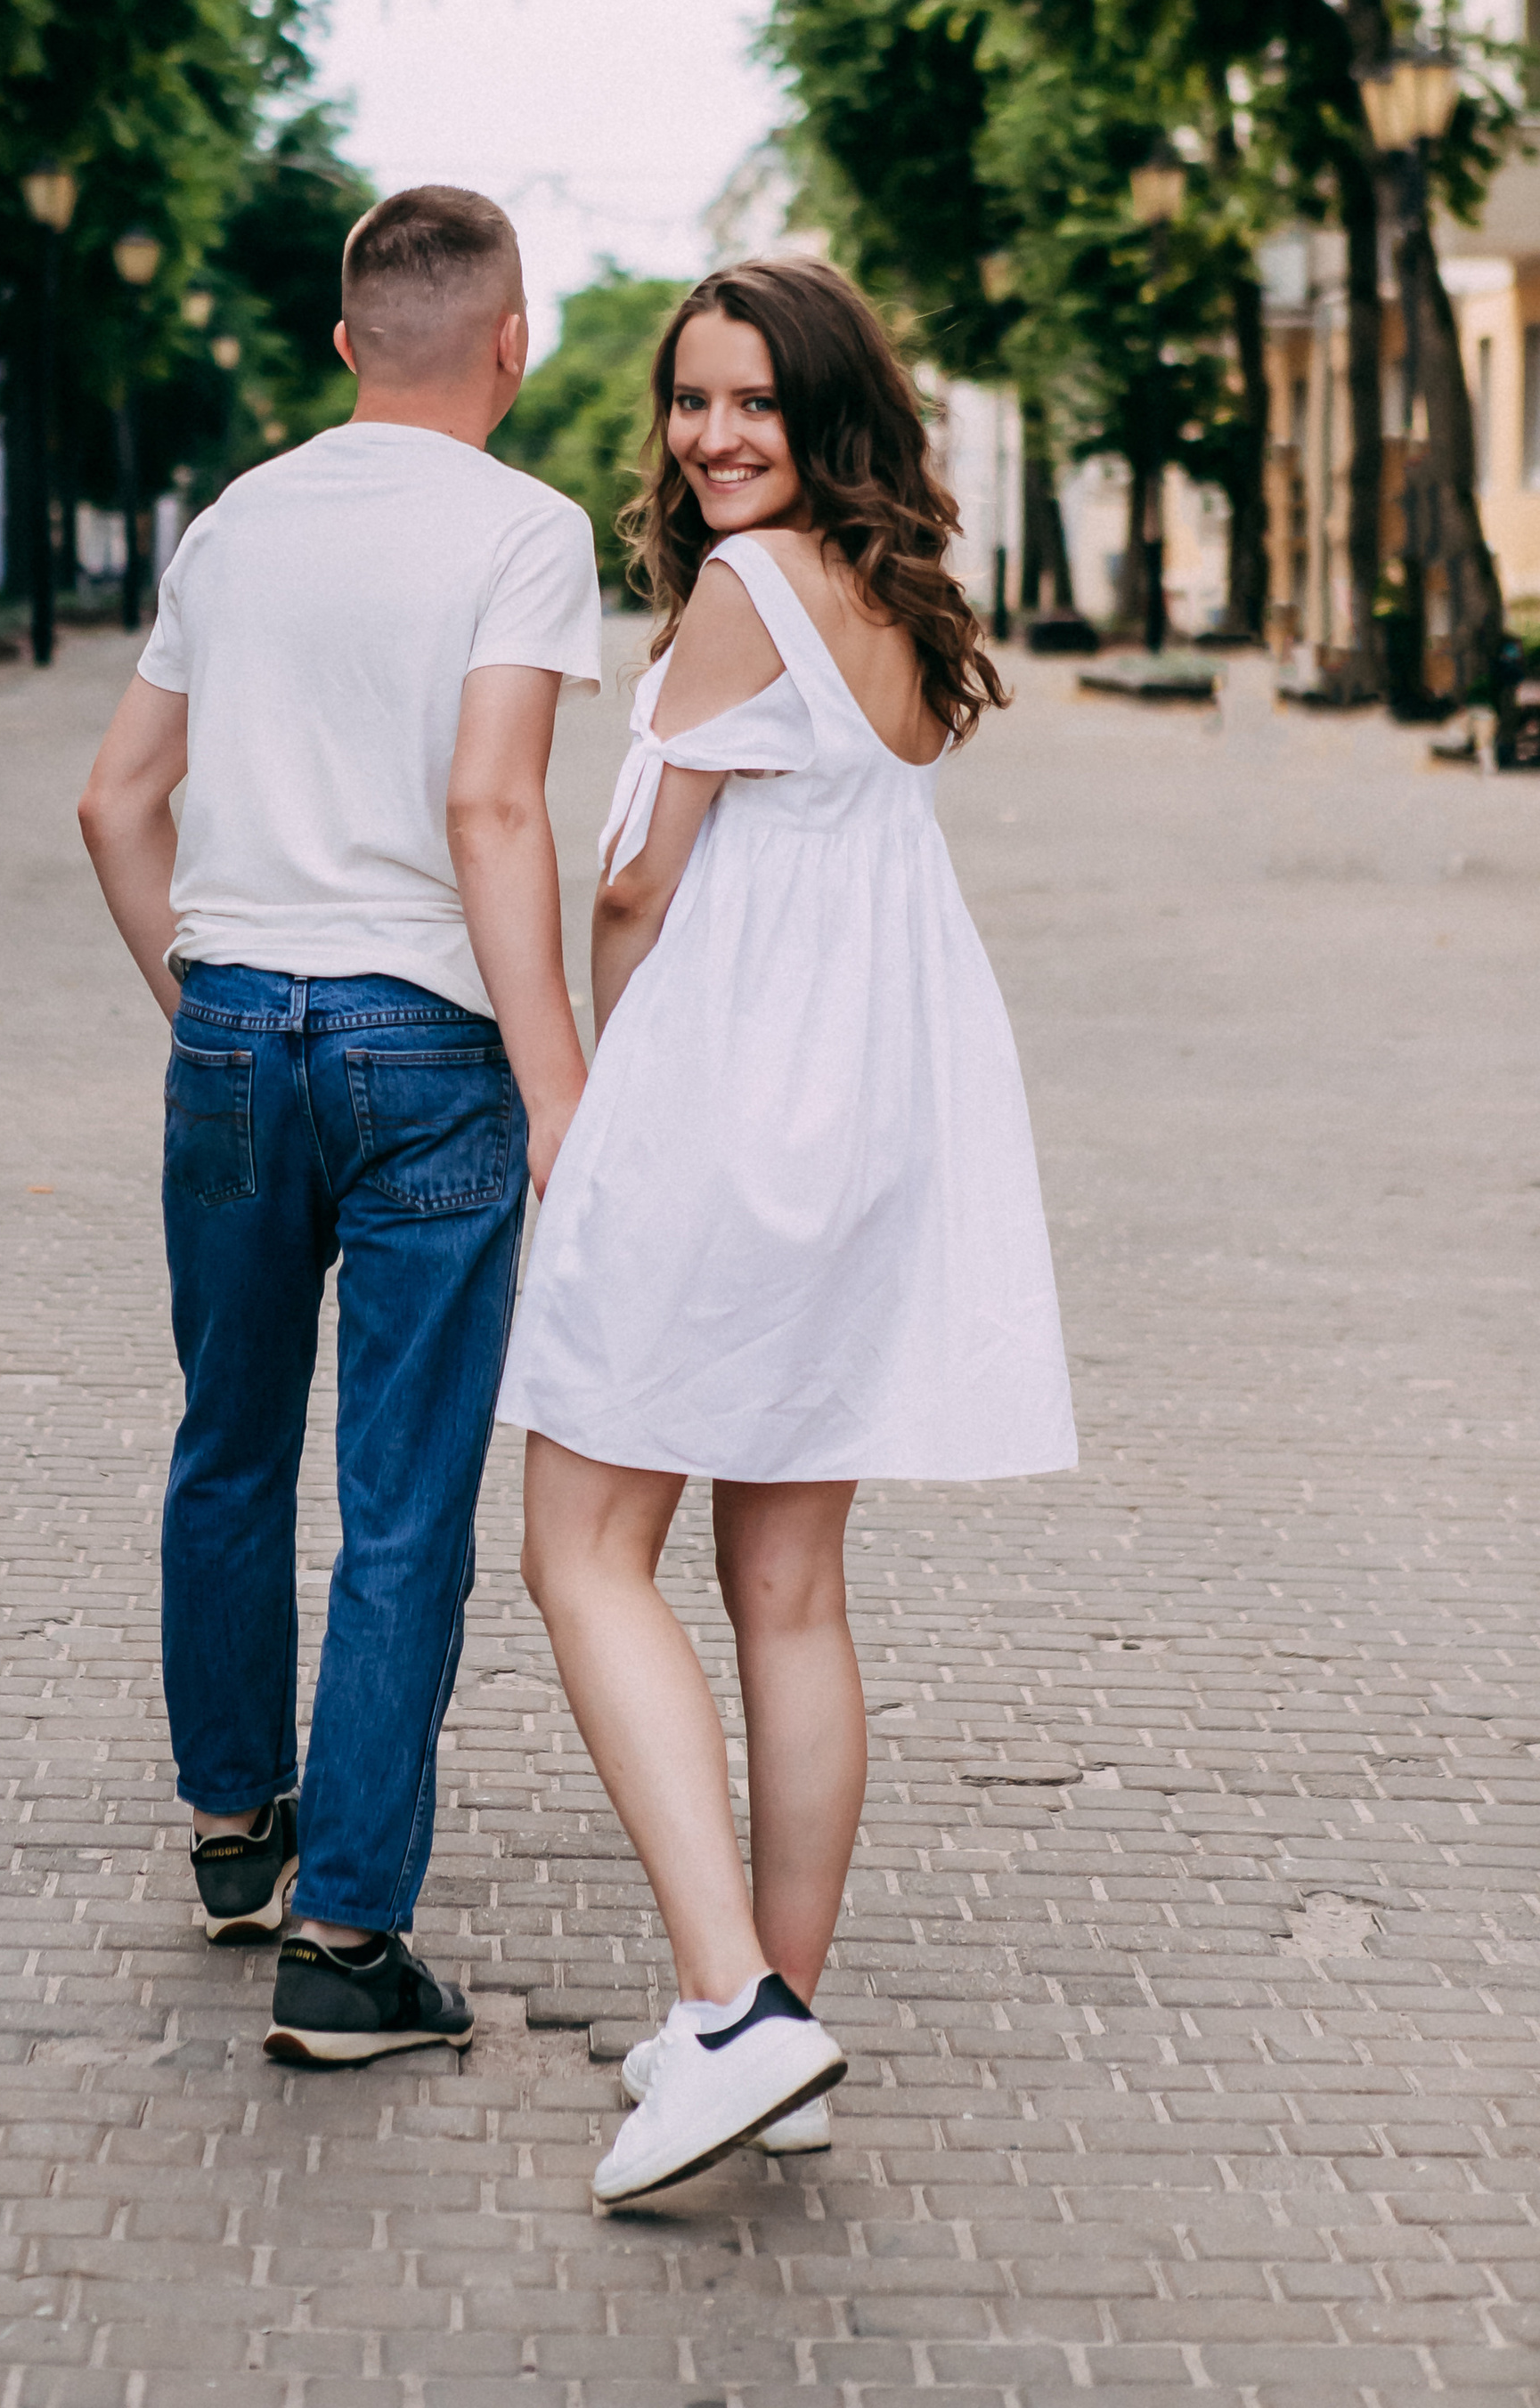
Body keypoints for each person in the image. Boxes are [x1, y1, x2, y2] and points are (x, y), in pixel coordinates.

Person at [495, 257, 1077, 2207]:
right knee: (789, 1590)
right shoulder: (887, 593)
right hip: (872, 1118)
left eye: (747, 401)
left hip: (726, 1107)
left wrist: (567, 1103)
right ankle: (781, 2038)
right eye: (686, 401)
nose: (710, 434)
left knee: (577, 1547)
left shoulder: (742, 594)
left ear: (818, 410)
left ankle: (731, 2010)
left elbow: (635, 893)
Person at [79, 184, 603, 2069]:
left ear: (339, 342)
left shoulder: (235, 521)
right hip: (421, 1051)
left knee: (225, 1447)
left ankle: (235, 1835)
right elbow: (491, 813)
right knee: (399, 1503)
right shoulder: (525, 533)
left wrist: (208, 1008)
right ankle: (347, 1942)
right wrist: (563, 1098)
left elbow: (113, 807)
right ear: (510, 341)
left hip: (230, 1023)